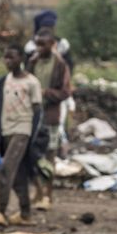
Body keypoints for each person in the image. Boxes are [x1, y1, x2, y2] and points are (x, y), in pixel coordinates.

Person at [0, 45, 43, 226]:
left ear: (21, 59)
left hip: (22, 130)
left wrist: (31, 137)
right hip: (6, 129)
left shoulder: (31, 82)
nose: (8, 62)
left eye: (11, 58)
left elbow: (37, 111)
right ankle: (25, 213)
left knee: (5, 169)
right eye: (5, 58)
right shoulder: (4, 81)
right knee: (18, 174)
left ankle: (1, 211)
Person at [27, 27, 71, 211]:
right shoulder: (32, 62)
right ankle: (37, 190)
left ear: (52, 45)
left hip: (51, 116)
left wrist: (45, 93)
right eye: (37, 44)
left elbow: (65, 91)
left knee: (50, 156)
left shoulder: (60, 65)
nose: (39, 48)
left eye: (42, 44)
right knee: (32, 155)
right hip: (33, 116)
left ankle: (48, 194)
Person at [24, 10, 76, 155]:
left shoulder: (60, 58)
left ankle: (59, 154)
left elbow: (65, 87)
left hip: (52, 104)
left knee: (55, 132)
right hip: (35, 106)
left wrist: (46, 93)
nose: (40, 48)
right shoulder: (32, 54)